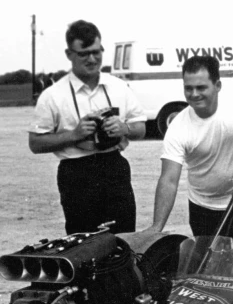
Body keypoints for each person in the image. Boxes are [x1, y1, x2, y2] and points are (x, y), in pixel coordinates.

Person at [28, 20, 146, 235]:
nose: (92, 59)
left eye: (96, 52)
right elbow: (35, 143)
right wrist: (74, 135)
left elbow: (141, 128)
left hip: (114, 168)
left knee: (124, 237)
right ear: (69, 53)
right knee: (83, 242)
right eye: (84, 54)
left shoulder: (119, 86)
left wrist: (124, 129)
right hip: (76, 173)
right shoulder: (53, 95)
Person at [146, 55, 233, 238]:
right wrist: (156, 226)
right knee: (210, 265)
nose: (194, 94)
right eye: (188, 88)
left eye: (201, 87)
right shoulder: (178, 127)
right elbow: (169, 180)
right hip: (203, 208)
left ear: (217, 86)